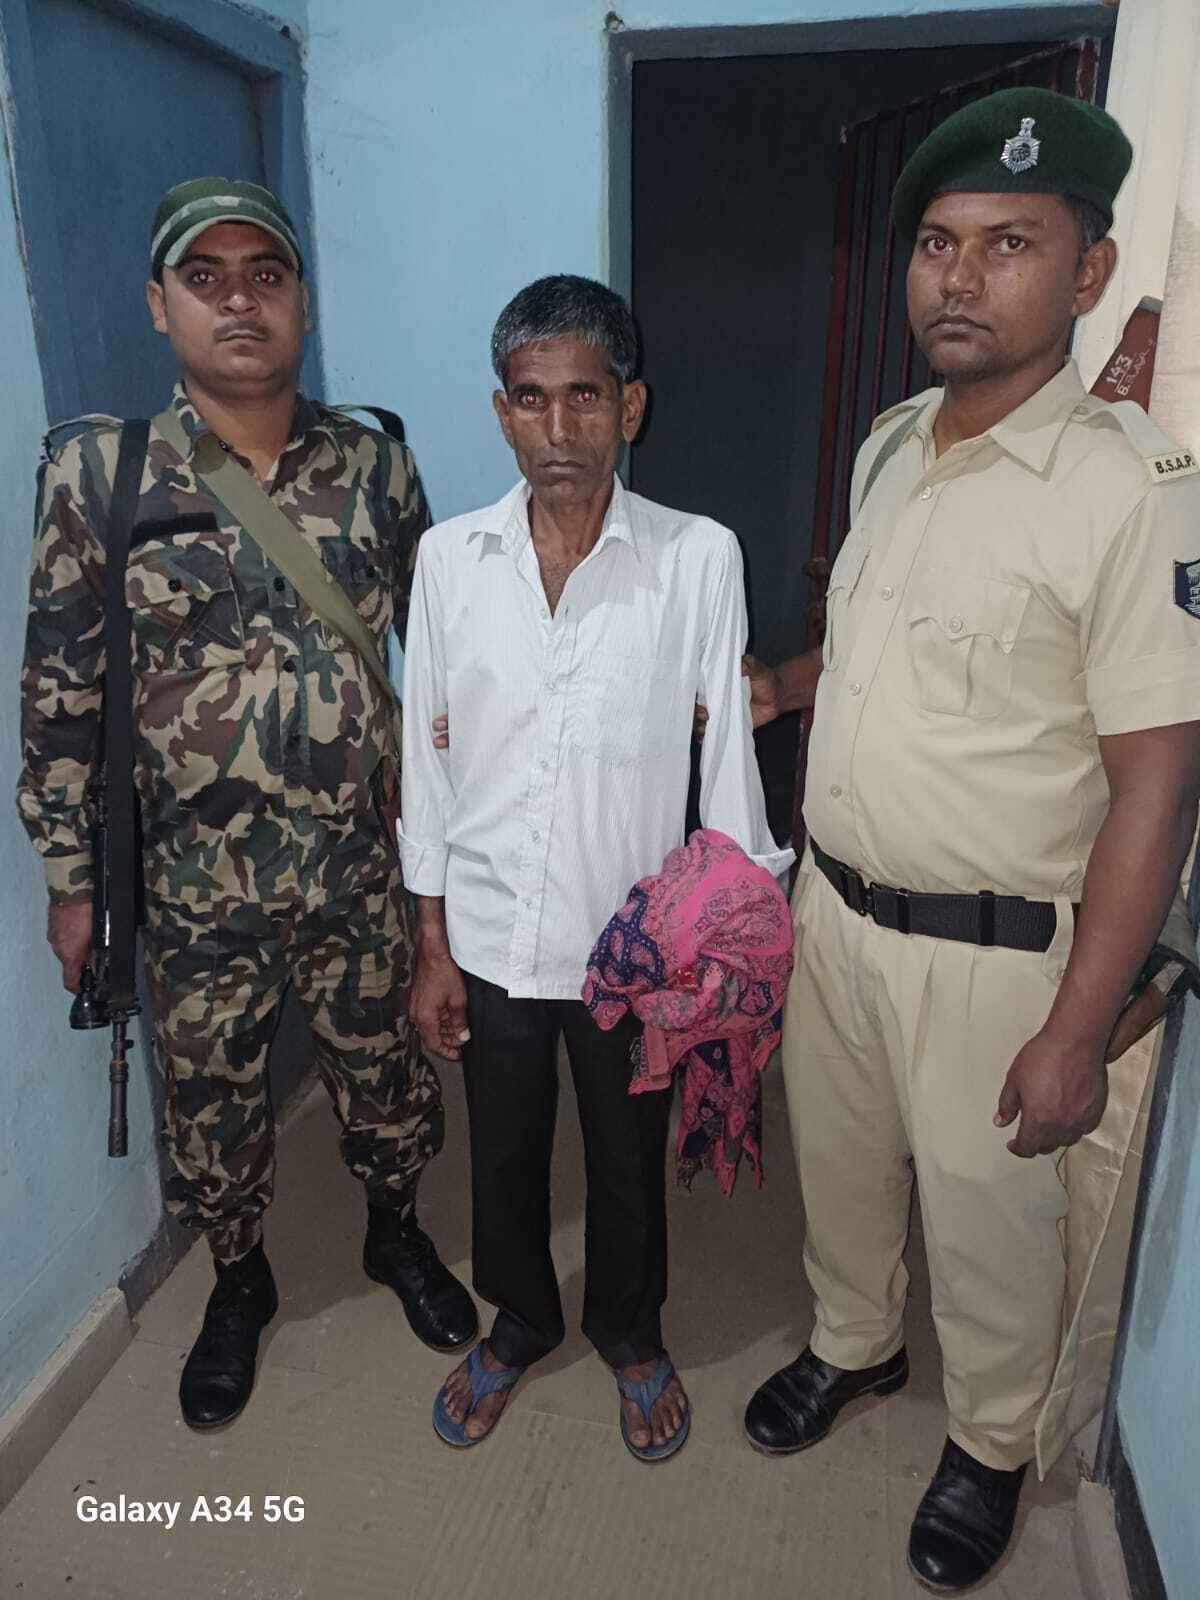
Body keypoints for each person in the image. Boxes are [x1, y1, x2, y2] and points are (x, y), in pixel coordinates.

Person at [741, 89, 1200, 1592]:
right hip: (835, 914)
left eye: (1011, 243)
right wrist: (786, 684)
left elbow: (1156, 783)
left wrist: (1077, 1027)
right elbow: (887, 642)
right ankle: (854, 1342)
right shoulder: (891, 448)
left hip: (995, 958)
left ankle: (992, 1439)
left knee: (994, 1220)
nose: (960, 276)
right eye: (938, 243)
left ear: (1087, 272)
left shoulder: (1133, 493)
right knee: (842, 1168)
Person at [18, 177, 476, 1433]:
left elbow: (439, 660)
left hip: (357, 865)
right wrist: (70, 883)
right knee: (211, 1101)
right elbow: (60, 695)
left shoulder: (376, 464)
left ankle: (394, 1227)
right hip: (190, 888)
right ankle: (238, 1277)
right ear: (157, 303)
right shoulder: (101, 475)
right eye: (205, 277)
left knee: (384, 1073)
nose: (239, 302)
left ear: (303, 304)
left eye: (265, 276)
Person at [400, 274, 790, 1460]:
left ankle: (628, 1329)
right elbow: (426, 764)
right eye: (531, 398)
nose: (558, 427)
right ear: (502, 412)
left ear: (631, 406)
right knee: (503, 1149)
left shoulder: (696, 560)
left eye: (585, 396)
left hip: (634, 951)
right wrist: (431, 946)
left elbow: (726, 764)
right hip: (491, 934)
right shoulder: (449, 561)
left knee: (626, 1161)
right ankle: (520, 1319)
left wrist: (732, 947)